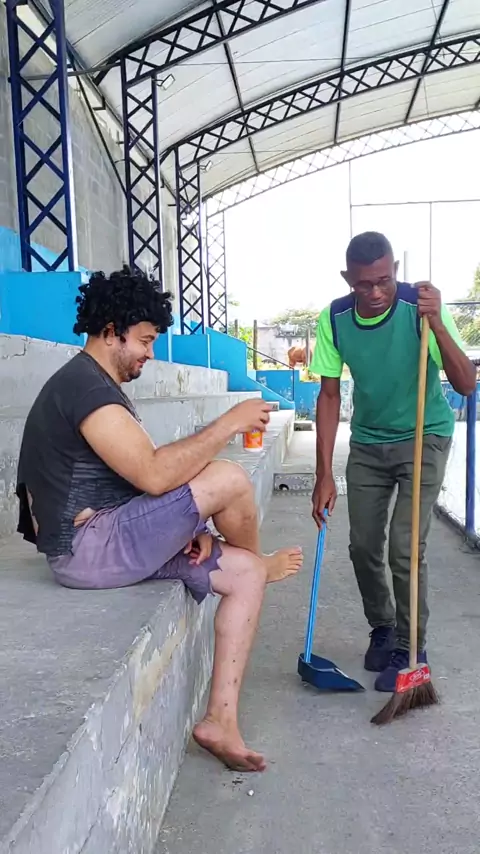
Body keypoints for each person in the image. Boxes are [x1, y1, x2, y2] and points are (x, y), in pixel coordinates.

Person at [16, 266, 303, 772]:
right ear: (112, 331)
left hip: (108, 536)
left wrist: (193, 528)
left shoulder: (94, 385)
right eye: (145, 340)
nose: (150, 353)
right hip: (90, 547)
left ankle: (220, 720)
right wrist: (228, 423)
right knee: (229, 477)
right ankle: (256, 554)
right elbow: (151, 473)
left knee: (245, 575)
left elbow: (133, 478)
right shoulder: (84, 388)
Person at [311, 232, 476, 692]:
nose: (377, 292)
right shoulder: (334, 318)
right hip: (368, 442)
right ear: (348, 279)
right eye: (364, 284)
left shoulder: (420, 306)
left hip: (425, 435)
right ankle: (383, 627)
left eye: (384, 280)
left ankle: (410, 646)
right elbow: (328, 395)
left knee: (404, 546)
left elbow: (466, 385)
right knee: (363, 545)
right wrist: (323, 474)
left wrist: (436, 323)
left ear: (395, 272)